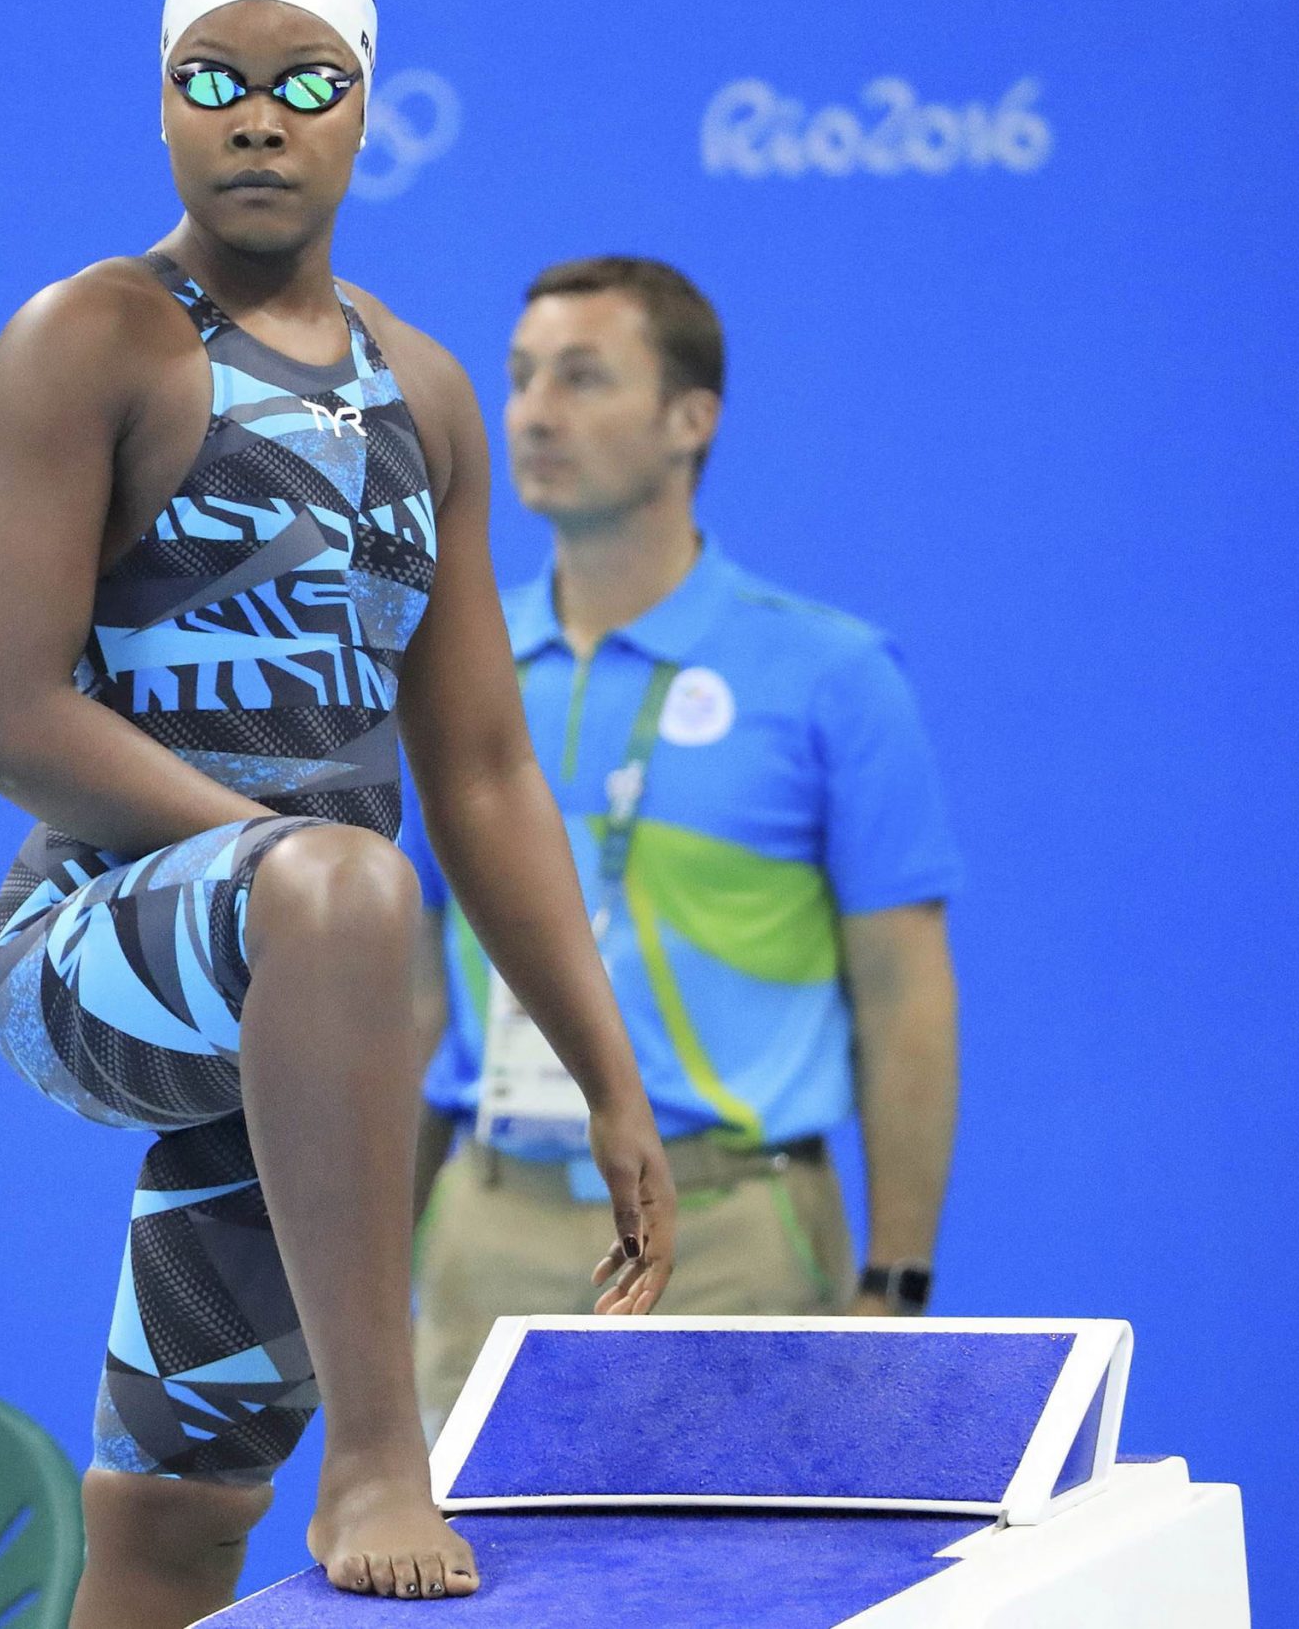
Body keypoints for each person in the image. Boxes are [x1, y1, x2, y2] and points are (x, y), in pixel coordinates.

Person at [0, 0, 677, 1627]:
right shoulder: (95, 338)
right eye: (215, 77)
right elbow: (0, 711)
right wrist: (291, 872)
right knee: (347, 884)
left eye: (304, 80)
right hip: (92, 943)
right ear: (162, 104)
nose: (258, 114)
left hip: (314, 1016)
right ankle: (380, 1443)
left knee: (182, 1516)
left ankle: (264, 1479)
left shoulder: (422, 394)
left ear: (366, 112)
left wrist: (607, 1076)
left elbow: (486, 763)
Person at [403, 258, 964, 1427]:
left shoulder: (831, 678)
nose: (533, 413)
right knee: (467, 1607)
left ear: (689, 420)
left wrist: (896, 1282)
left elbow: (903, 991)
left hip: (732, 1238)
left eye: (583, 378)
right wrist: (369, 1250)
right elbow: (413, 988)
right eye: (517, 379)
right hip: (488, 1226)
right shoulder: (449, 667)